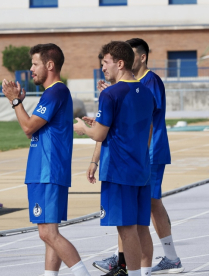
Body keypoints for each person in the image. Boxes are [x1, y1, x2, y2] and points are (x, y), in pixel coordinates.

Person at [91, 38, 183, 275]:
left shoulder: (149, 82)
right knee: (137, 216)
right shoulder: (132, 87)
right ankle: (125, 261)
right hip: (139, 154)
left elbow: (143, 121)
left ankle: (163, 258)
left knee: (143, 211)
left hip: (145, 153)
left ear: (139, 58)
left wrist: (110, 98)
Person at [2, 43, 90, 276]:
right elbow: (33, 128)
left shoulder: (55, 92)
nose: (31, 69)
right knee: (50, 233)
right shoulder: (53, 93)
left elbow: (28, 127)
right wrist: (18, 103)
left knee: (47, 234)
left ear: (50, 65)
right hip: (48, 169)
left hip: (47, 170)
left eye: (35, 64)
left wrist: (15, 102)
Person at [74, 41, 155, 276]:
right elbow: (146, 130)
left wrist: (82, 128)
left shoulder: (110, 93)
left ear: (120, 63)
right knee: (140, 227)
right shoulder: (147, 92)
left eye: (105, 64)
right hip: (141, 169)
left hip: (119, 170)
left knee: (126, 229)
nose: (103, 69)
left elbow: (99, 134)